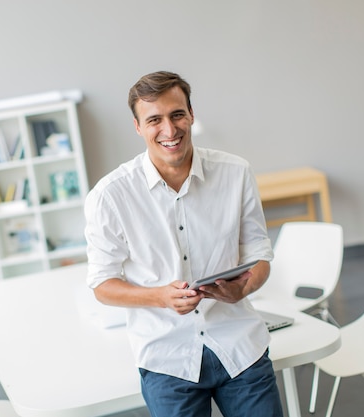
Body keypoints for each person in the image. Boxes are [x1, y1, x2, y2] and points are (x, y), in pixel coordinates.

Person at [84, 70, 283, 417]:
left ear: (191, 114)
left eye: (177, 115)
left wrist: (244, 287)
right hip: (167, 358)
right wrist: (160, 296)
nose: (169, 130)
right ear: (138, 127)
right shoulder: (110, 196)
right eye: (154, 120)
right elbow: (102, 284)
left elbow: (259, 255)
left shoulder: (235, 173)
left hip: (239, 344)